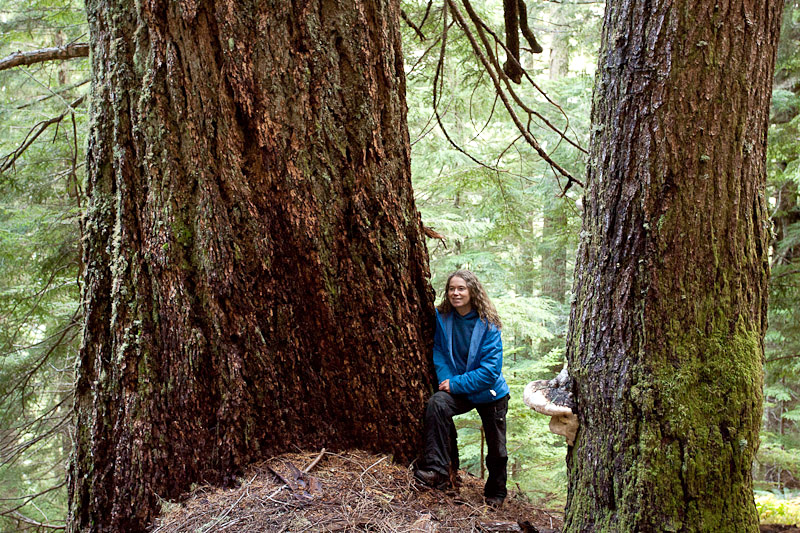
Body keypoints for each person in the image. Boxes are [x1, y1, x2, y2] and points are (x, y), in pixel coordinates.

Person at [414, 269, 510, 507]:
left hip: (489, 393)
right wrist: (447, 382)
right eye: (451, 289)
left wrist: (455, 383)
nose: (455, 293)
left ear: (472, 291)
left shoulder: (488, 324)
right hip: (459, 391)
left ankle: (496, 493)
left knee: (497, 447)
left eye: (461, 288)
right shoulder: (443, 317)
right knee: (437, 404)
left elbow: (490, 372)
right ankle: (438, 470)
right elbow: (439, 351)